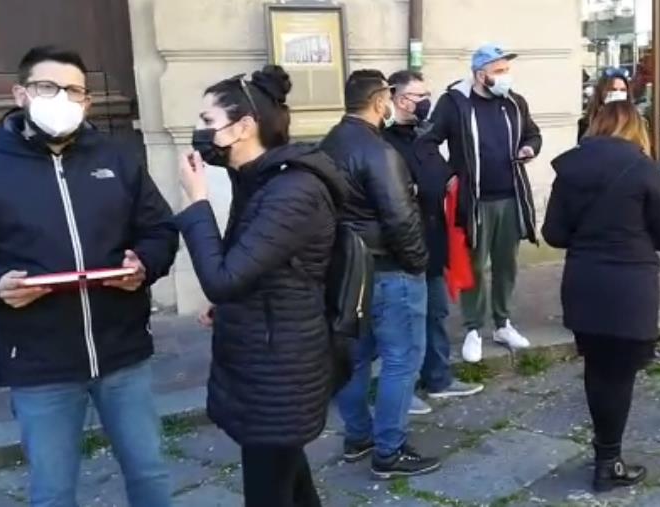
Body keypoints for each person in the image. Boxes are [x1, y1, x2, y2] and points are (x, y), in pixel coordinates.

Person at [0, 46, 177, 507]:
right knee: (52, 491)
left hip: (123, 352)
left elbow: (160, 229)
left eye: (73, 90)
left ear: (87, 102)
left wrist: (144, 266)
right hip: (39, 362)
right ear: (21, 93)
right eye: (47, 87)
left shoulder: (119, 159)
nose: (61, 98)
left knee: (150, 475)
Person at [176, 66, 341, 506]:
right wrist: (232, 306)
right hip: (265, 356)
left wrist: (196, 203)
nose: (200, 131)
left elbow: (222, 279)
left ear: (244, 127)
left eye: (208, 122)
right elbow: (253, 266)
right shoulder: (259, 181)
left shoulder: (292, 190)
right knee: (288, 477)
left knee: (268, 487)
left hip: (282, 365)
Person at [542, 101, 660, 493]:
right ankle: (609, 463)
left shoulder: (568, 168)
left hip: (584, 283)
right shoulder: (644, 169)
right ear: (637, 129)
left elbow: (554, 233)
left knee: (598, 370)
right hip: (629, 287)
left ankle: (605, 454)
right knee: (619, 376)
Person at [320, 69, 440, 479]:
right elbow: (400, 218)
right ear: (379, 101)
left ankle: (359, 436)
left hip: (348, 271)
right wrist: (418, 263)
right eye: (389, 98)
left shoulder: (329, 144)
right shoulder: (378, 151)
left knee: (354, 358)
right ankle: (389, 449)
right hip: (388, 269)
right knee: (401, 359)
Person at [422, 44, 542, 363]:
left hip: (510, 197)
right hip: (474, 201)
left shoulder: (515, 102)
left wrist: (530, 148)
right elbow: (428, 143)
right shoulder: (454, 103)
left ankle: (502, 323)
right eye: (499, 71)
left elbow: (533, 134)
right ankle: (473, 328)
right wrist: (448, 176)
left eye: (506, 69)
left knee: (507, 264)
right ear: (480, 75)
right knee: (474, 265)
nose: (506, 76)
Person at [383, 70, 486, 416]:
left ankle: (438, 378)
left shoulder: (424, 137)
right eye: (419, 95)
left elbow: (438, 179)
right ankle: (403, 388)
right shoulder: (386, 142)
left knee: (436, 312)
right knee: (405, 322)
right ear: (399, 100)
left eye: (428, 93)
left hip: (433, 240)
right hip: (404, 246)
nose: (427, 101)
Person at [577, 67, 645, 147]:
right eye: (613, 89)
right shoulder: (587, 122)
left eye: (623, 90)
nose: (618, 93)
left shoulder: (636, 121)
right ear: (602, 92)